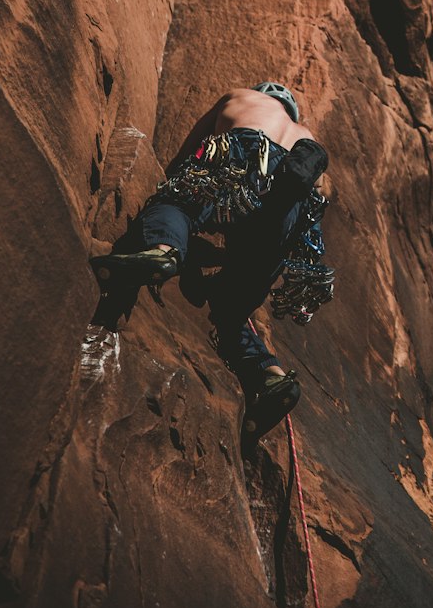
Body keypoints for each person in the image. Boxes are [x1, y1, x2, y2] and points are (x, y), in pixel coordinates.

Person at [90, 83, 334, 444]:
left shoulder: (240, 97)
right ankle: (271, 376)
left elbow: (186, 160)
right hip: (290, 207)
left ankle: (163, 251)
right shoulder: (304, 137)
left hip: (244, 151)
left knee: (178, 203)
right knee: (232, 311)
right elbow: (279, 221)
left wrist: (172, 207)